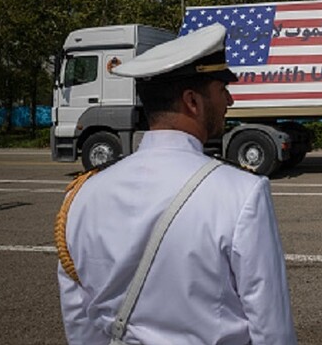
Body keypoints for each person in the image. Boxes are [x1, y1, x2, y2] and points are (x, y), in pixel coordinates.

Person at [56, 23, 297, 345]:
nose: (230, 100)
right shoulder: (242, 192)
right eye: (221, 89)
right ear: (192, 101)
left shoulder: (82, 195)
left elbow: (78, 315)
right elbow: (271, 325)